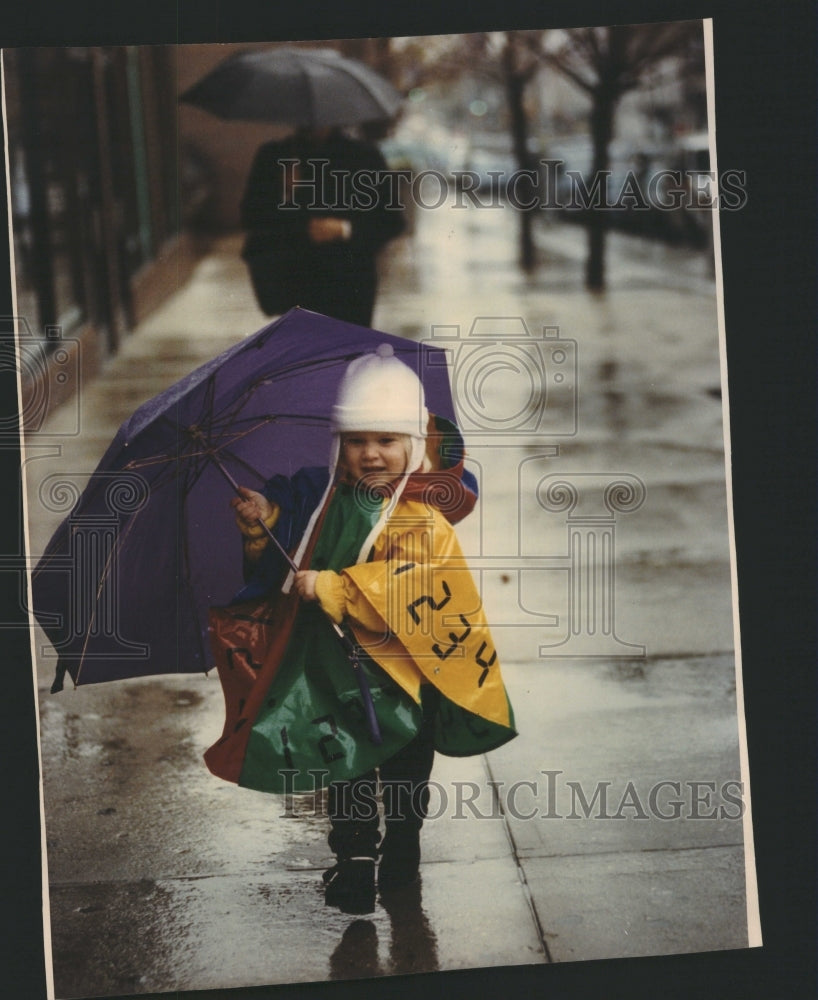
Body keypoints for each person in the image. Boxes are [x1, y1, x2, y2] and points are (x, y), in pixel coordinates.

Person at [205, 345, 516, 914]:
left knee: (404, 772)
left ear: (413, 447)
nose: (371, 454)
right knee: (343, 766)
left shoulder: (419, 515)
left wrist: (332, 587)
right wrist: (264, 525)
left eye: (386, 440)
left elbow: (410, 582)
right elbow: (288, 551)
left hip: (406, 676)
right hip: (333, 672)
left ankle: (402, 844)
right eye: (356, 441)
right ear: (338, 446)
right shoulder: (323, 500)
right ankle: (353, 859)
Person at [240, 127, 405, 326]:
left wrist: (344, 228)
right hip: (295, 283)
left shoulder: (363, 156)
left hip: (349, 286)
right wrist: (286, 196)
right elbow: (251, 217)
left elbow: (391, 221)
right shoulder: (276, 155)